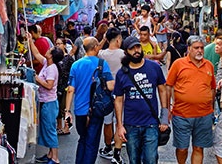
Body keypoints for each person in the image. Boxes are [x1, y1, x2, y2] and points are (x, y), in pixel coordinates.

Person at [114, 36, 169, 164]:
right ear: (126, 52)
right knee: (134, 160)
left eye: (138, 47)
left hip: (151, 123)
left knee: (151, 159)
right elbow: (119, 100)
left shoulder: (154, 67)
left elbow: (162, 90)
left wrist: (164, 117)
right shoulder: (122, 73)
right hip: (131, 125)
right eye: (132, 48)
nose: (136, 51)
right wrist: (120, 126)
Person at [166, 35, 216, 164]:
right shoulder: (178, 64)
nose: (200, 51)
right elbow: (168, 86)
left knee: (199, 148)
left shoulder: (209, 65)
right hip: (181, 114)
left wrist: (211, 108)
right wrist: (167, 109)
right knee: (182, 148)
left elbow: (212, 88)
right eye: (196, 48)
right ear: (189, 49)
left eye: (202, 48)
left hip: (204, 115)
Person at [65, 38, 115, 164]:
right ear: (96, 47)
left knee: (83, 139)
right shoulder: (102, 64)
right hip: (96, 108)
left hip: (79, 110)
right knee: (92, 143)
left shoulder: (76, 65)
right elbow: (110, 86)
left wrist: (67, 111)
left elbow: (70, 90)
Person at [29, 36, 64, 164]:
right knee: (48, 129)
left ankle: (55, 158)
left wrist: (37, 79)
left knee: (50, 130)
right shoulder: (46, 63)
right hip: (46, 102)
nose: (47, 50)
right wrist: (30, 41)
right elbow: (36, 54)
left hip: (49, 103)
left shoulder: (51, 69)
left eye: (50, 50)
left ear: (51, 56)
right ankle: (50, 154)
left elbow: (49, 85)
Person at [98, 29, 126, 164]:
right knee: (119, 122)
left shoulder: (101, 54)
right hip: (121, 92)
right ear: (118, 39)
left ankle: (108, 147)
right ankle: (117, 152)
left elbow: (95, 49)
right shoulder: (123, 54)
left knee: (107, 122)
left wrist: (103, 39)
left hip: (106, 92)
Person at [55, 38, 75, 135]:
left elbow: (73, 72)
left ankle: (67, 127)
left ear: (64, 45)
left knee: (66, 108)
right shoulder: (55, 58)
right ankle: (59, 126)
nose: (58, 45)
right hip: (57, 85)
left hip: (66, 85)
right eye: (56, 44)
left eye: (60, 43)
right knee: (58, 108)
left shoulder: (69, 58)